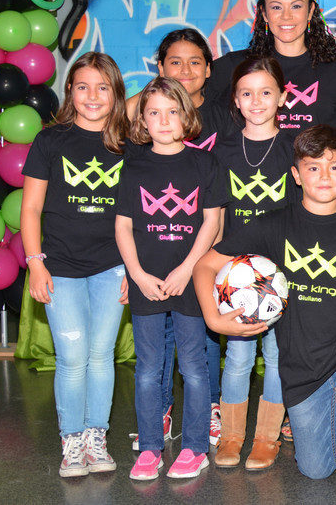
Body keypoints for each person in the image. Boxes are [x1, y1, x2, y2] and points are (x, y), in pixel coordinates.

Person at [194, 125, 336, 505]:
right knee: (315, 469)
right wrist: (213, 318)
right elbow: (205, 266)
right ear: (296, 174)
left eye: (334, 167)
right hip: (303, 364)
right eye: (313, 167)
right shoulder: (273, 225)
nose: (324, 176)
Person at [20, 52, 129, 477]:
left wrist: (134, 271)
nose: (92, 96)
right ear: (70, 90)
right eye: (83, 86)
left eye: (103, 87)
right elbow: (31, 209)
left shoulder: (130, 146)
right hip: (60, 267)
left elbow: (138, 216)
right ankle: (72, 441)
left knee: (101, 356)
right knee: (71, 357)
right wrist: (35, 264)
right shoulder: (50, 141)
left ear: (116, 93)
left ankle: (96, 437)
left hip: (112, 268)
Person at [117, 77, 224, 479]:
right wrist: (138, 275)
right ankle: (150, 448)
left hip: (190, 280)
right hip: (146, 281)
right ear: (142, 121)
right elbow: (123, 226)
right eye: (154, 113)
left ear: (186, 116)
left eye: (172, 112)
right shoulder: (133, 165)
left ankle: (195, 447)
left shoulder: (205, 163)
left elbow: (212, 222)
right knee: (148, 368)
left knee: (193, 367)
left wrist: (188, 269)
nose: (163, 121)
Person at [211, 56, 297, 470]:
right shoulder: (223, 150)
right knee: (238, 357)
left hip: (280, 275)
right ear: (235, 99)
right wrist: (215, 270)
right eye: (247, 93)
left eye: (266, 92)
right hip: (235, 275)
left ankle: (266, 437)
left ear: (282, 97)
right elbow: (215, 217)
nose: (257, 100)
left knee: (278, 357)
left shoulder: (295, 148)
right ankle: (231, 436)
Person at [205, 0, 336, 132]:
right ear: (264, 13)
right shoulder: (236, 66)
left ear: (310, 11)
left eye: (296, 6)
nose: (286, 16)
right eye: (276, 7)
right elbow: (193, 99)